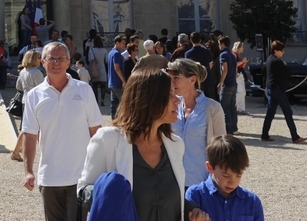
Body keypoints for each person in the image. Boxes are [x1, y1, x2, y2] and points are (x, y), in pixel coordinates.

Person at [78, 69, 209, 221]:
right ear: (148, 99)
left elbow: (167, 199)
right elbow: (83, 189)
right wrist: (109, 195)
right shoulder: (108, 139)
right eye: (170, 94)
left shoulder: (175, 145)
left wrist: (192, 209)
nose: (177, 100)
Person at [20, 41, 103, 221]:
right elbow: (29, 135)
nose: (56, 63)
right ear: (43, 62)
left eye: (60, 58)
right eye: (51, 58)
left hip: (80, 176)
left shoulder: (84, 90)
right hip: (49, 177)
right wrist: (28, 171)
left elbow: (96, 131)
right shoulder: (34, 95)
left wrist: (99, 169)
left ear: (68, 62)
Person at [168, 58, 227, 187]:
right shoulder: (170, 106)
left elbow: (221, 149)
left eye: (176, 77)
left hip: (200, 184)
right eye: (170, 77)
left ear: (192, 80)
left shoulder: (213, 108)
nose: (172, 82)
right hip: (171, 184)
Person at [184, 135, 265, 220]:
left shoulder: (252, 201)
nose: (232, 182)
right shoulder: (196, 195)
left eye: (238, 175)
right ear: (210, 167)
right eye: (225, 175)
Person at [260, 41, 307, 145]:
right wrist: (285, 65)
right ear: (276, 51)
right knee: (287, 112)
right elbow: (287, 73)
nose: (283, 53)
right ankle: (295, 137)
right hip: (277, 90)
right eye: (281, 51)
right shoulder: (277, 62)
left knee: (270, 112)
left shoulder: (269, 59)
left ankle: (264, 135)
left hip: (271, 88)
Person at [10, 50, 46, 162]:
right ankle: (46, 153)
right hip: (36, 101)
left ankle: (16, 151)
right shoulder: (37, 73)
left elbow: (18, 87)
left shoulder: (23, 72)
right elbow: (42, 89)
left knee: (26, 127)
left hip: (26, 99)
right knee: (39, 127)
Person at [216, 37, 239, 136]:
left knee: (225, 108)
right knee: (232, 106)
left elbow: (224, 70)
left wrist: (220, 82)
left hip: (227, 83)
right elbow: (235, 70)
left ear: (222, 43)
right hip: (233, 83)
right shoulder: (232, 55)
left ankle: (228, 129)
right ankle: (234, 127)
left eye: (219, 44)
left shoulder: (223, 55)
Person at [107, 35, 128, 119]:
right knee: (124, 103)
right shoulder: (116, 53)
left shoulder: (110, 52)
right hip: (117, 82)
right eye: (122, 43)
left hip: (111, 82)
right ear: (117, 43)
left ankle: (114, 120)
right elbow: (117, 68)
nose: (124, 46)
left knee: (114, 104)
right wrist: (124, 81)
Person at [87, 36, 108, 106]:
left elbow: (91, 59)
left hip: (94, 69)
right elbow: (106, 60)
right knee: (103, 86)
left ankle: (96, 100)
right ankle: (102, 99)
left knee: (95, 86)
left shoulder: (92, 50)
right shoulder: (104, 50)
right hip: (102, 69)